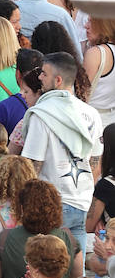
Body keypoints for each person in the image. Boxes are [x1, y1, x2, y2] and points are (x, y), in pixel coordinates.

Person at [20, 52, 103, 254]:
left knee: (49, 270)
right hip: (81, 201)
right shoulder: (92, 113)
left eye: (44, 74)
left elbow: (32, 165)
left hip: (51, 204)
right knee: (76, 274)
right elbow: (95, 160)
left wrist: (24, 203)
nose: (39, 77)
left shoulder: (43, 113)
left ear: (58, 80)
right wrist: (84, 191)